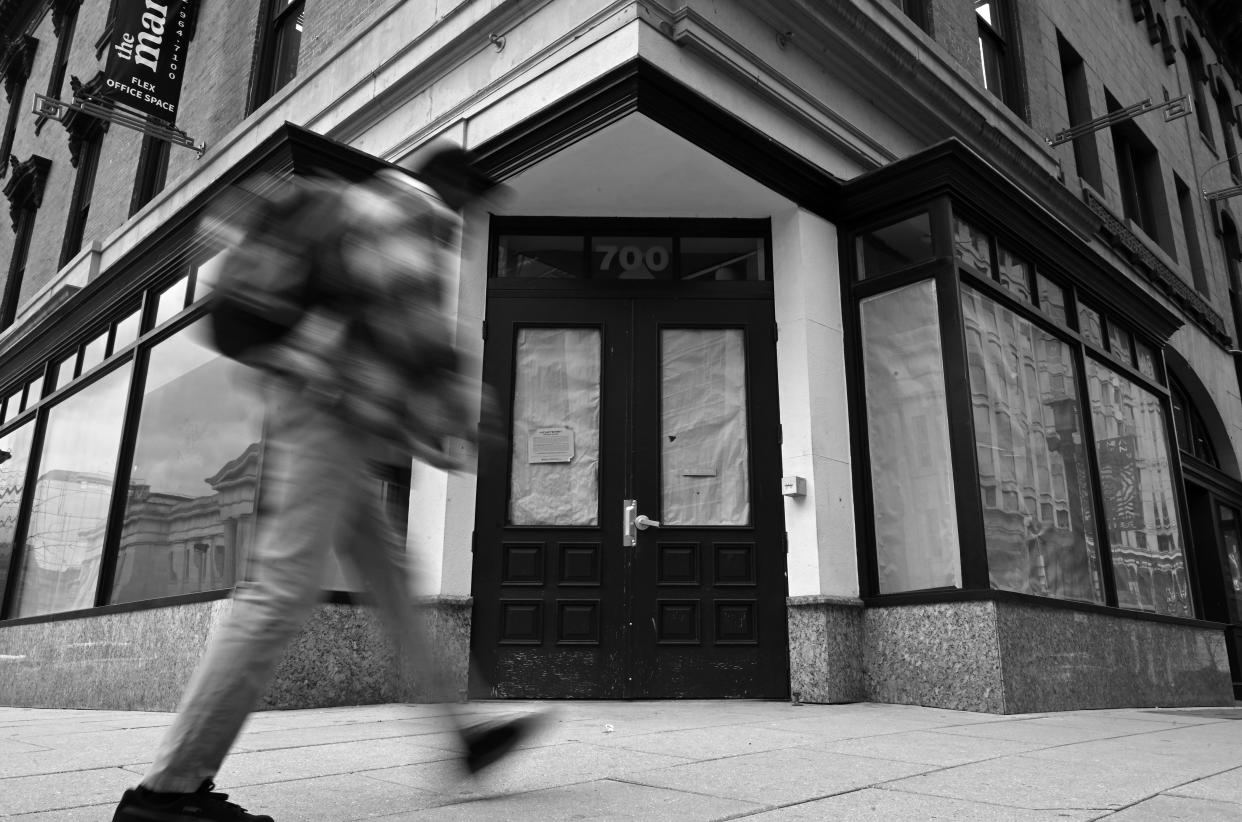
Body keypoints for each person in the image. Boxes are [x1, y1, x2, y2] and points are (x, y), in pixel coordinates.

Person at [112, 147, 537, 822]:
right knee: (279, 590)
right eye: (472, 203)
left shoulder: (369, 208)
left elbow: (378, 326)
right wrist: (457, 405)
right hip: (327, 414)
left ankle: (463, 732)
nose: (470, 219)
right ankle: (166, 791)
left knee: (393, 585)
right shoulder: (410, 213)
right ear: (453, 192)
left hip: (336, 416)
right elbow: (409, 327)